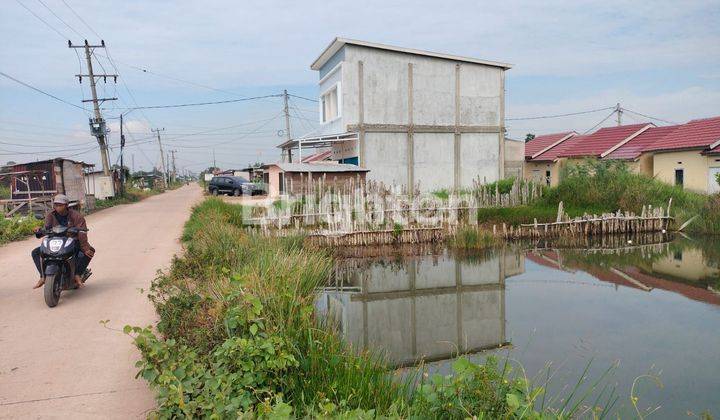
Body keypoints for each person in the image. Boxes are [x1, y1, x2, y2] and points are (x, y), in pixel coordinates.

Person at [31, 194, 95, 289]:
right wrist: (38, 231)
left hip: (72, 241)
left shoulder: (76, 216)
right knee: (36, 252)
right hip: (54, 241)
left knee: (89, 251)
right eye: (56, 204)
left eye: (60, 204)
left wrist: (85, 247)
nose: (57, 207)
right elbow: (46, 229)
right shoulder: (50, 215)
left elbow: (82, 232)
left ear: (66, 205)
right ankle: (43, 277)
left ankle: (77, 274)